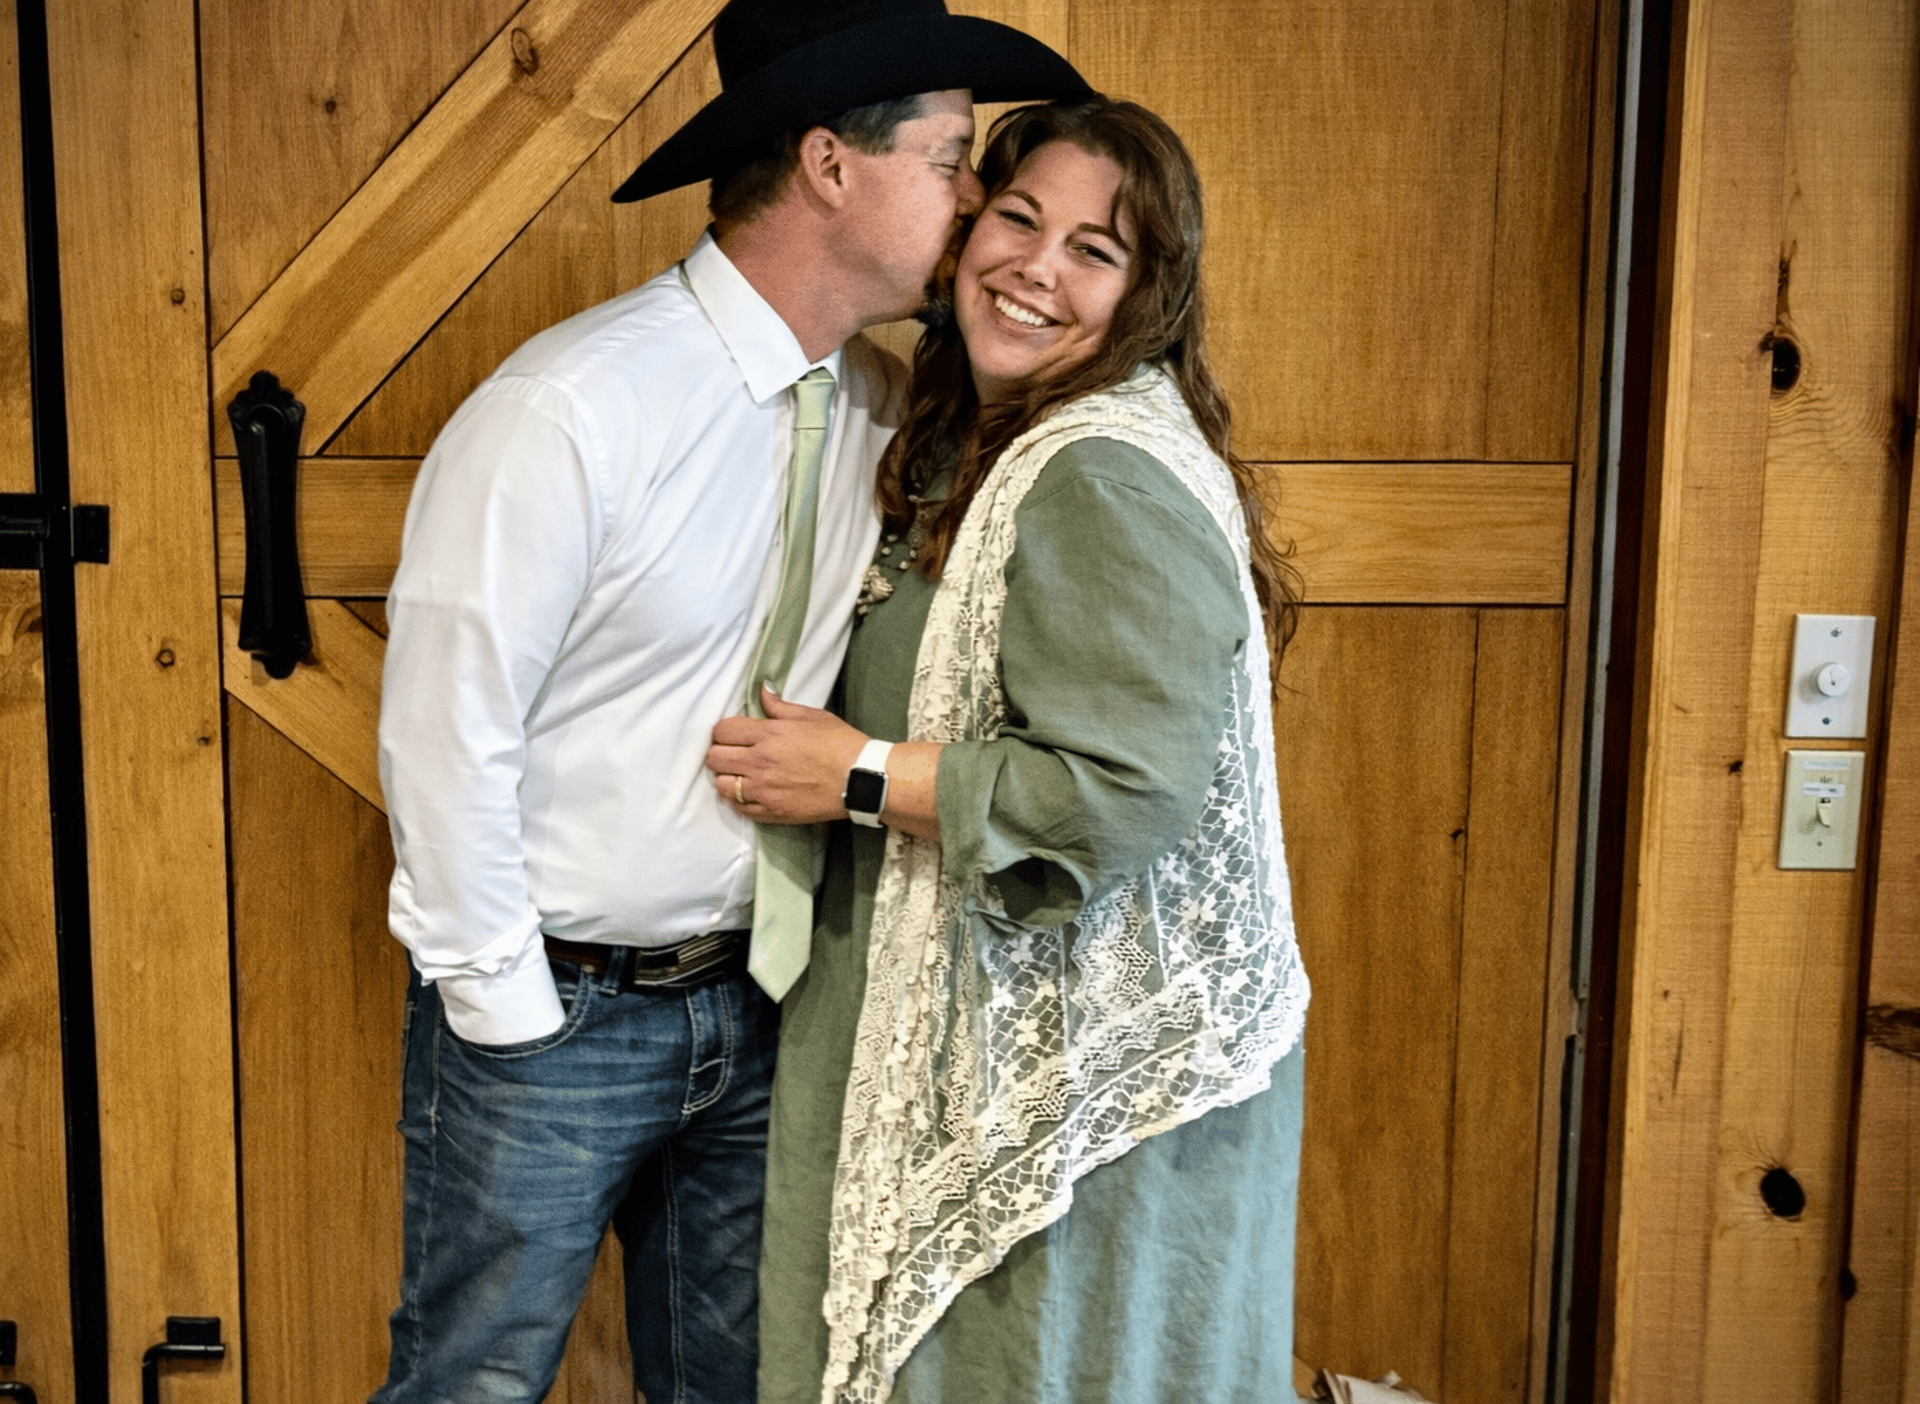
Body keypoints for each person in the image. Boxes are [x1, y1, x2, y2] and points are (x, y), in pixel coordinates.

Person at [370, 4, 1086, 1400]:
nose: (975, 206)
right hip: (554, 1017)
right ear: (830, 163)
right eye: (950, 161)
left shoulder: (884, 407)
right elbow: (445, 734)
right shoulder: (571, 410)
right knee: (470, 1388)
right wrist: (510, 1015)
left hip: (764, 1011)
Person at [705, 97, 1312, 1404]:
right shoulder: (990, 434)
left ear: (1152, 291)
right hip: (1002, 1022)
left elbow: (1117, 792)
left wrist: (855, 774)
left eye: (1096, 250)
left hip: (1076, 1085)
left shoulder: (1097, 472)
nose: (1036, 266)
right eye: (1018, 219)